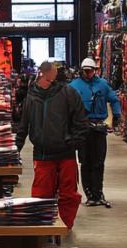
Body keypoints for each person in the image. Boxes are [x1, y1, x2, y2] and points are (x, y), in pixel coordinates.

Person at [15, 60, 90, 228]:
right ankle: (43, 228)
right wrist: (15, 149)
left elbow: (81, 121)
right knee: (41, 195)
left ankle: (65, 226)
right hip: (42, 154)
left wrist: (74, 142)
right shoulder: (31, 97)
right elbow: (23, 126)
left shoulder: (69, 93)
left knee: (69, 195)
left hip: (66, 154)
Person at [70, 57, 121, 208]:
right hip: (82, 128)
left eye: (90, 71)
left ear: (94, 70)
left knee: (98, 162)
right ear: (81, 71)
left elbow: (114, 99)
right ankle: (90, 194)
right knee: (85, 162)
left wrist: (117, 115)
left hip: (98, 128)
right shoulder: (73, 86)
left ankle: (98, 192)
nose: (88, 73)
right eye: (85, 71)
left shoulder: (102, 85)